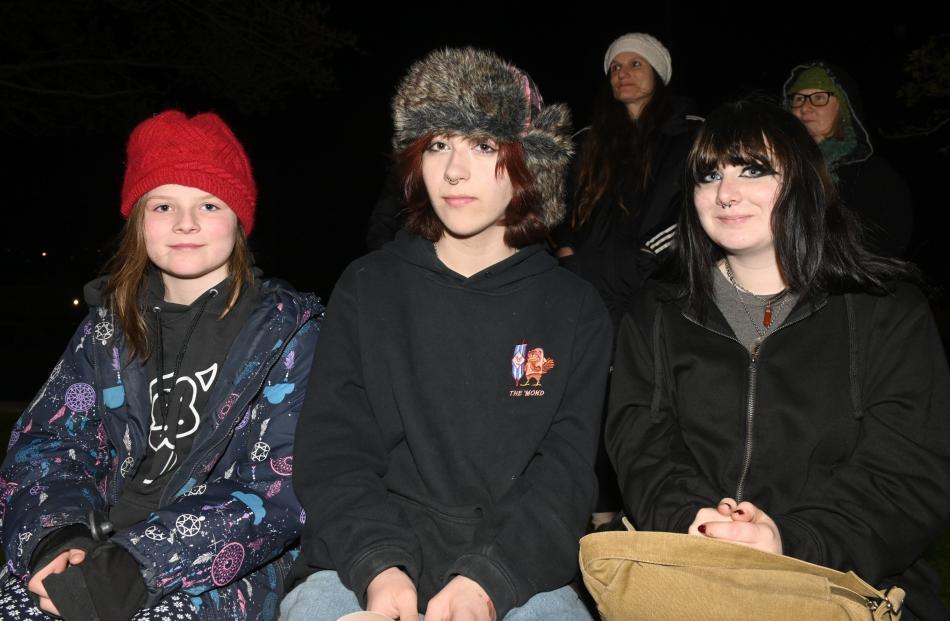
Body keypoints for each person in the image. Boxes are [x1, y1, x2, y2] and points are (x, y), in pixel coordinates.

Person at [280, 47, 613, 621]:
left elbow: (564, 476)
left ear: (530, 162)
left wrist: (486, 582)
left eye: (483, 146)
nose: (454, 171)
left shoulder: (575, 307)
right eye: (438, 145)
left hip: (516, 568)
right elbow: (334, 452)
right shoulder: (369, 287)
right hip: (368, 561)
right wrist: (380, 569)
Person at [606, 99, 950, 620]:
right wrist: (693, 521)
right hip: (688, 573)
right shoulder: (656, 312)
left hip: (845, 583)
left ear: (804, 183)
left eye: (753, 169)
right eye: (707, 176)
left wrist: (790, 540)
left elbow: (908, 472)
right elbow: (641, 442)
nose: (726, 193)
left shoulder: (886, 312)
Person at [0, 110, 323, 620]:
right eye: (164, 204)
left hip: (225, 570)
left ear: (239, 220)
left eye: (209, 203)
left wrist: (138, 568)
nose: (186, 222)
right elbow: (50, 442)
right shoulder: (107, 330)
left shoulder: (291, 334)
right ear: (138, 220)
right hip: (99, 546)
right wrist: (59, 537)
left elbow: (279, 487)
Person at [554, 32, 702, 326]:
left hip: (659, 280)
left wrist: (652, 255)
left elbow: (700, 204)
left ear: (657, 73)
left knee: (646, 366)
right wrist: (568, 251)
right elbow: (560, 201)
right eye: (615, 68)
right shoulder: (587, 141)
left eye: (635, 64)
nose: (623, 74)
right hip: (588, 282)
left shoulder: (691, 135)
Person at [784, 61, 914, 257]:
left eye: (819, 97)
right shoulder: (779, 170)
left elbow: (889, 242)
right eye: (798, 99)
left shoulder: (873, 174)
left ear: (844, 107)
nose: (805, 107)